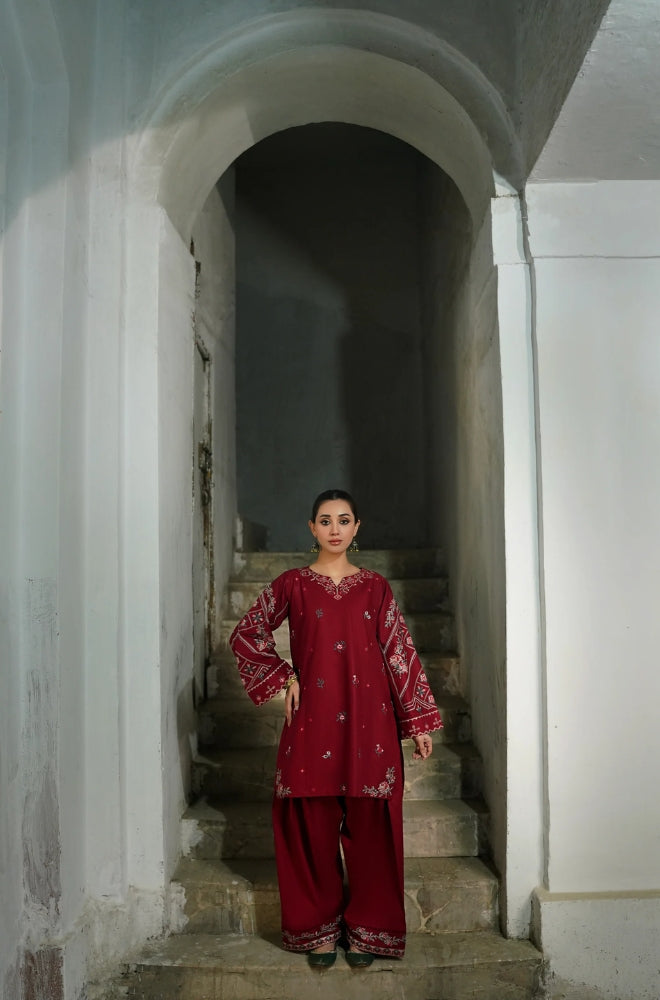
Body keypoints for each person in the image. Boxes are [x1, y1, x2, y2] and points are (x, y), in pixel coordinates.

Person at [229, 489, 443, 969]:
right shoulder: (292, 585)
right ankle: (317, 930)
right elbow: (247, 634)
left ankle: (369, 930)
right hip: (312, 720)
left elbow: (399, 652)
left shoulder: (376, 587)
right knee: (309, 822)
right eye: (325, 520)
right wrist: (284, 676)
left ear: (356, 527)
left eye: (344, 520)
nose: (334, 529)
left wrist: (418, 720)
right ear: (312, 528)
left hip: (371, 722)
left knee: (372, 825)